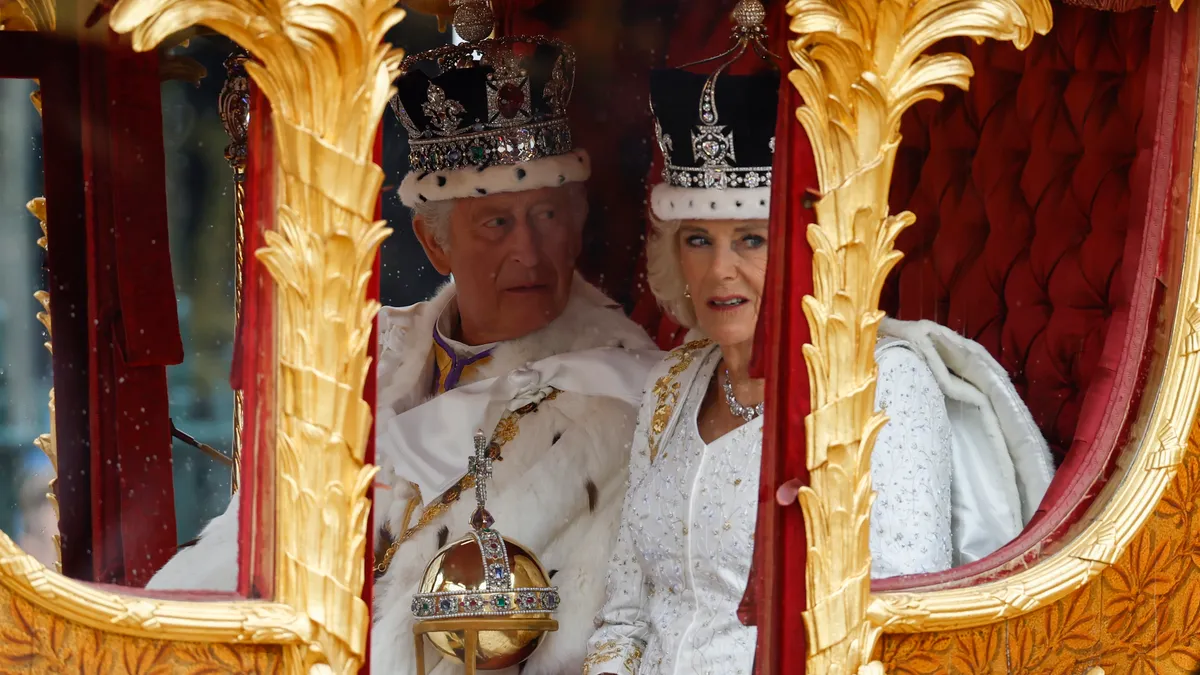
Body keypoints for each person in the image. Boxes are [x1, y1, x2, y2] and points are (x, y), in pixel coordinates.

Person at [148, 17, 661, 675]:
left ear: (579, 226)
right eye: (497, 223)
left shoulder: (631, 395)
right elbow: (254, 550)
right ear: (435, 241)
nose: (529, 251)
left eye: (548, 217)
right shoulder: (368, 351)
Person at [583, 6, 1054, 673]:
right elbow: (626, 617)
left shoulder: (881, 383)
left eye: (751, 240)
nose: (721, 270)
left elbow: (890, 623)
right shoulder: (672, 384)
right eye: (699, 240)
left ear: (805, 247)